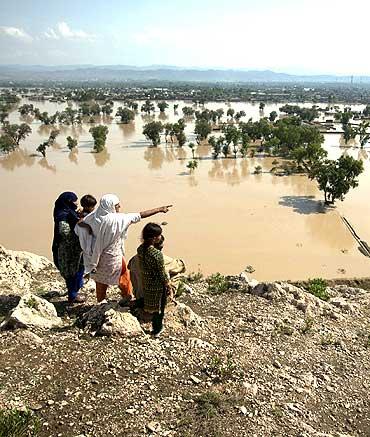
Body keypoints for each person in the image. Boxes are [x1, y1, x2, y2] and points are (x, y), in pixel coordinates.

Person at [83, 194, 172, 303]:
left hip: (95, 258)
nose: (119, 207)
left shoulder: (91, 217)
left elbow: (80, 229)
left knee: (100, 280)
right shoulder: (118, 219)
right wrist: (159, 209)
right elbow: (140, 215)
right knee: (124, 277)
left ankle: (101, 302)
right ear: (111, 206)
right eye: (117, 205)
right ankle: (128, 296)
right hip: (113, 256)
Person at [128, 235, 186, 307]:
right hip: (156, 300)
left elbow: (129, 265)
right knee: (176, 274)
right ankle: (168, 299)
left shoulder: (134, 259)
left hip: (140, 296)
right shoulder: (162, 260)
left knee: (133, 271)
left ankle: (140, 299)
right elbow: (180, 266)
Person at [137, 223, 170, 337]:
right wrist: (168, 285)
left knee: (149, 301)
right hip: (157, 286)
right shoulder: (157, 255)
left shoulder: (140, 249)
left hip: (146, 281)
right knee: (159, 309)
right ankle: (157, 330)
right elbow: (162, 274)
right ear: (154, 238)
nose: (161, 237)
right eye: (159, 235)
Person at [52, 192, 85, 304]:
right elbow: (64, 232)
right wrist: (78, 227)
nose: (77, 203)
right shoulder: (63, 215)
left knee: (78, 269)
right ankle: (73, 296)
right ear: (69, 202)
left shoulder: (66, 211)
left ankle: (74, 290)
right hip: (68, 250)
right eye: (75, 200)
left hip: (73, 248)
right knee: (72, 272)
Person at [74, 194, 97, 276]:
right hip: (86, 238)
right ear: (87, 207)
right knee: (88, 253)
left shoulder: (81, 213)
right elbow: (80, 223)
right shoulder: (85, 215)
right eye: (92, 206)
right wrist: (89, 227)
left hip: (85, 238)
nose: (94, 208)